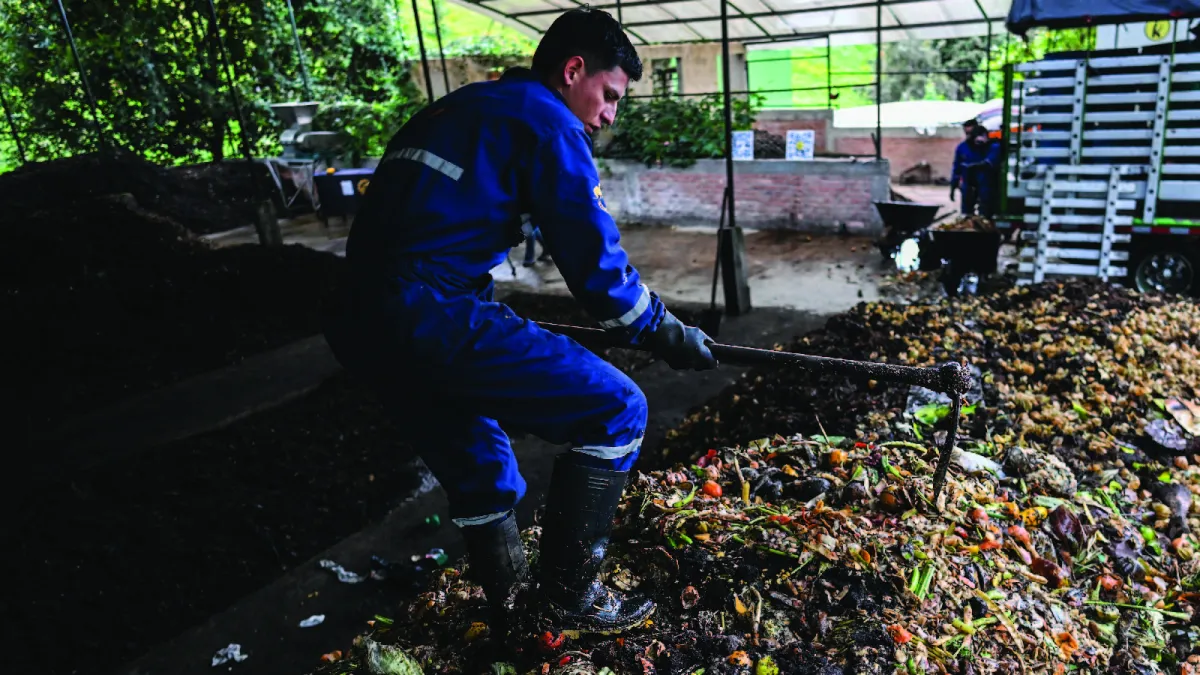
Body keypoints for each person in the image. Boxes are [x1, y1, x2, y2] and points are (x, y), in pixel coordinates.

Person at [320, 8, 717, 636]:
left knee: (479, 467)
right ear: (573, 69)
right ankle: (568, 595)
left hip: (360, 321)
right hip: (431, 310)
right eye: (609, 95)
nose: (610, 114)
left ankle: (512, 610)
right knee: (618, 410)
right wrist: (664, 330)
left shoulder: (464, 106)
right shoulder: (550, 123)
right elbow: (598, 274)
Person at [950, 118, 985, 214]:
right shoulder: (962, 147)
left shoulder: (987, 147)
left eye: (971, 133)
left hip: (984, 184)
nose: (969, 136)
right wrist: (953, 186)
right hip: (968, 184)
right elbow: (957, 168)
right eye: (967, 134)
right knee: (967, 213)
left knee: (985, 212)